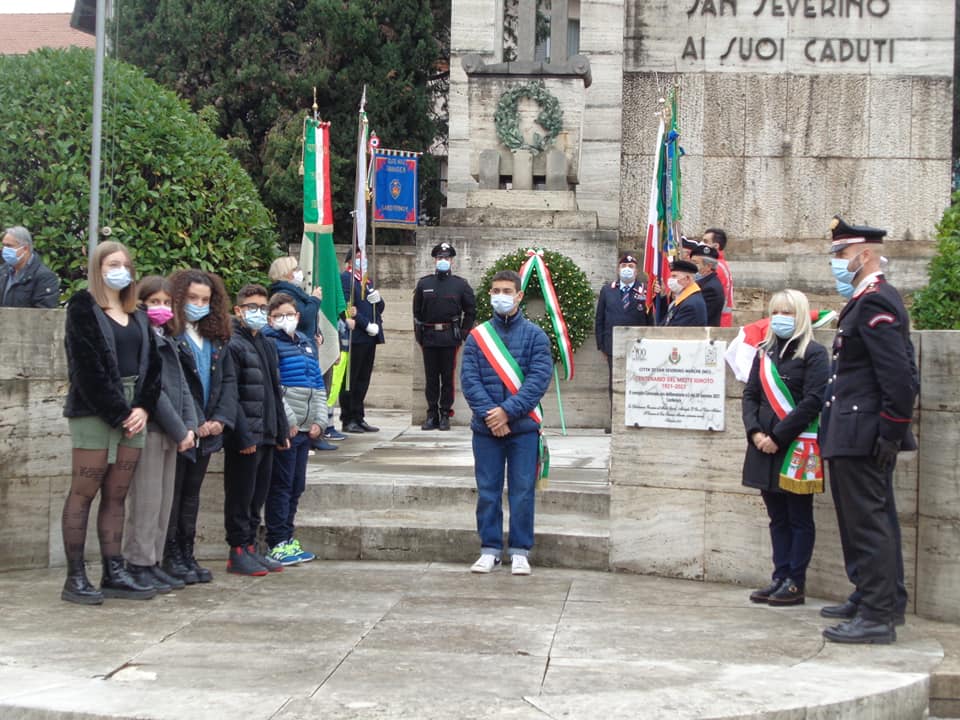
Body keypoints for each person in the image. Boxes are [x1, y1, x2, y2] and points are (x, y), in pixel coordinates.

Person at [819, 215, 918, 645]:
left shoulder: (877, 300)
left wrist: (891, 433)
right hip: (852, 429)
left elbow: (899, 377)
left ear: (863, 255)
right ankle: (877, 596)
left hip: (865, 432)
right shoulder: (864, 299)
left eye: (841, 255)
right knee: (866, 520)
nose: (837, 263)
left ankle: (878, 616)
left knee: (869, 523)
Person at [61, 241, 161, 604]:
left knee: (117, 496)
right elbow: (85, 366)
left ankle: (113, 570)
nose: (119, 269)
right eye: (111, 263)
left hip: (134, 412)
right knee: (84, 491)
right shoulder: (83, 306)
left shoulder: (137, 312)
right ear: (97, 268)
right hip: (94, 410)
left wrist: (143, 408)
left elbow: (152, 366)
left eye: (124, 264)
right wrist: (118, 412)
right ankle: (75, 576)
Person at [461, 270, 552, 576]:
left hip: (522, 429)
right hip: (486, 429)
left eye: (507, 290)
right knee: (487, 491)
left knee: (522, 491)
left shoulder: (536, 336)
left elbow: (538, 380)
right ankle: (489, 549)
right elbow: (469, 380)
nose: (501, 295)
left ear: (518, 296)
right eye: (496, 290)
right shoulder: (477, 337)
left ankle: (520, 550)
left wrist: (507, 412)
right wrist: (492, 415)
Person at [742, 289, 829, 607]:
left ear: (801, 315)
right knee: (777, 517)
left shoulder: (815, 354)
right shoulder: (764, 353)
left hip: (794, 446)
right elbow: (751, 395)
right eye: (776, 311)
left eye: (788, 312)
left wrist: (777, 436)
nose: (780, 318)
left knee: (798, 517)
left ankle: (796, 581)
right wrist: (754, 432)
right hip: (762, 446)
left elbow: (813, 401)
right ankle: (779, 575)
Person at [123, 276, 198, 593]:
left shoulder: (169, 337)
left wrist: (190, 424)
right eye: (154, 302)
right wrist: (181, 429)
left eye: (167, 303)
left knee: (163, 502)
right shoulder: (144, 338)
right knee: (146, 501)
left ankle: (152, 561)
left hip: (174, 432)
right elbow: (156, 392)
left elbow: (182, 387)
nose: (162, 308)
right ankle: (138, 562)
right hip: (153, 429)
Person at [164, 269, 236, 585]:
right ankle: (170, 555)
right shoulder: (171, 336)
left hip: (207, 429)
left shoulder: (216, 338)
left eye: (205, 300)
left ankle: (186, 552)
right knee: (174, 494)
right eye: (192, 298)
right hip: (182, 429)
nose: (199, 304)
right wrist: (192, 425)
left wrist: (219, 420)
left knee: (191, 495)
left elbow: (227, 382)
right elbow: (176, 386)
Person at [223, 284, 289, 576]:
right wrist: (242, 434)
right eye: (252, 308)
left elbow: (274, 391)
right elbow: (230, 394)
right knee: (240, 494)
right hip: (245, 435)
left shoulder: (264, 342)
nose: (259, 313)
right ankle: (237, 550)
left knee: (257, 495)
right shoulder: (233, 344)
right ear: (239, 310)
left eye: (263, 308)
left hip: (266, 432)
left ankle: (251, 546)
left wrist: (280, 430)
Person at [262, 292, 324, 565]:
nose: (284, 320)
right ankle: (276, 541)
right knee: (281, 486)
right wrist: (287, 421)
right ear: (270, 319)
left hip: (305, 428)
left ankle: (288, 538)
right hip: (288, 428)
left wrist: (320, 421)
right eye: (278, 316)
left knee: (296, 485)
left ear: (298, 317)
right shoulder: (269, 343)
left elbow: (318, 386)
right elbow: (273, 388)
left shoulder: (306, 343)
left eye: (289, 314)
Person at [267, 256, 339, 451]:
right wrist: (315, 299)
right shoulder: (284, 292)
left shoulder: (295, 291)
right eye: (296, 268)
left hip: (306, 344)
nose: (300, 272)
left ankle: (315, 430)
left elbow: (308, 321)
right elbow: (305, 317)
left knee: (316, 386)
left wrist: (319, 334)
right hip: (293, 351)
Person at [413, 242, 476, 430]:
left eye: (446, 258)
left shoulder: (460, 284)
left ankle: (445, 414)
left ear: (452, 261)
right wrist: (420, 336)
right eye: (440, 258)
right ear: (434, 260)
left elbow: (471, 311)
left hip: (449, 337)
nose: (443, 261)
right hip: (429, 337)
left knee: (447, 378)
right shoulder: (425, 283)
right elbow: (417, 312)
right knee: (431, 378)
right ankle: (431, 414)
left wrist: (463, 333)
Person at [595, 253, 650, 408]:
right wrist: (602, 345)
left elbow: (650, 319)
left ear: (636, 271)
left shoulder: (645, 291)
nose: (627, 269)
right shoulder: (607, 290)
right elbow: (600, 319)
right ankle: (615, 419)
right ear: (618, 269)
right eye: (624, 266)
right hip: (613, 345)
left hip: (638, 346)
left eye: (631, 267)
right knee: (615, 383)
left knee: (638, 383)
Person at [340, 249, 384, 433]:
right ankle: (348, 417)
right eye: (359, 258)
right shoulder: (346, 279)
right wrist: (365, 324)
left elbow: (378, 308)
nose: (363, 261)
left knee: (363, 379)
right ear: (350, 261)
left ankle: (359, 416)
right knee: (351, 379)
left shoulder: (367, 281)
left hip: (370, 337)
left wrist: (379, 300)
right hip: (357, 335)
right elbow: (349, 309)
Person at [1, 226, 60, 308]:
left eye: (9, 246)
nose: (5, 249)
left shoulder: (45, 277)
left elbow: (44, 313)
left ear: (25, 249)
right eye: (4, 245)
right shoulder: (3, 272)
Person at [660, 259, 707, 327]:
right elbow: (666, 320)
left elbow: (674, 332)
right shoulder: (685, 298)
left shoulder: (690, 304)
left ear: (687, 278)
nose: (671, 280)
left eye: (674, 276)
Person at [703, 228, 734, 327]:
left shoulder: (715, 267)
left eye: (705, 242)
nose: (701, 244)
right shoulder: (720, 264)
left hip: (716, 321)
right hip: (721, 319)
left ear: (716, 246)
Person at [690, 244, 725, 326]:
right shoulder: (701, 282)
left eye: (695, 263)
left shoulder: (710, 288)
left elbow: (696, 316)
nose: (691, 266)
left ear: (709, 266)